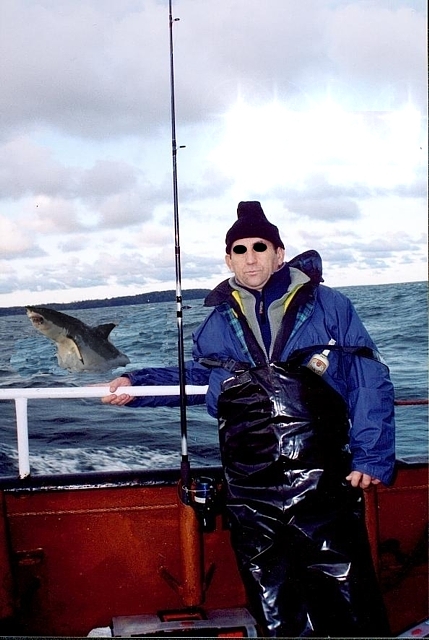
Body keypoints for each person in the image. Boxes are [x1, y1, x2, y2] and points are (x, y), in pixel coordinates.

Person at [102, 201, 395, 637]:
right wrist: (137, 384)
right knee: (273, 601)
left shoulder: (329, 304)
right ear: (228, 259)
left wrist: (371, 455)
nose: (250, 257)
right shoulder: (216, 322)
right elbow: (202, 377)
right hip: (250, 488)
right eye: (239, 249)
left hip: (322, 480)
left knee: (347, 596)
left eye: (260, 247)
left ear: (279, 253)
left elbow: (367, 376)